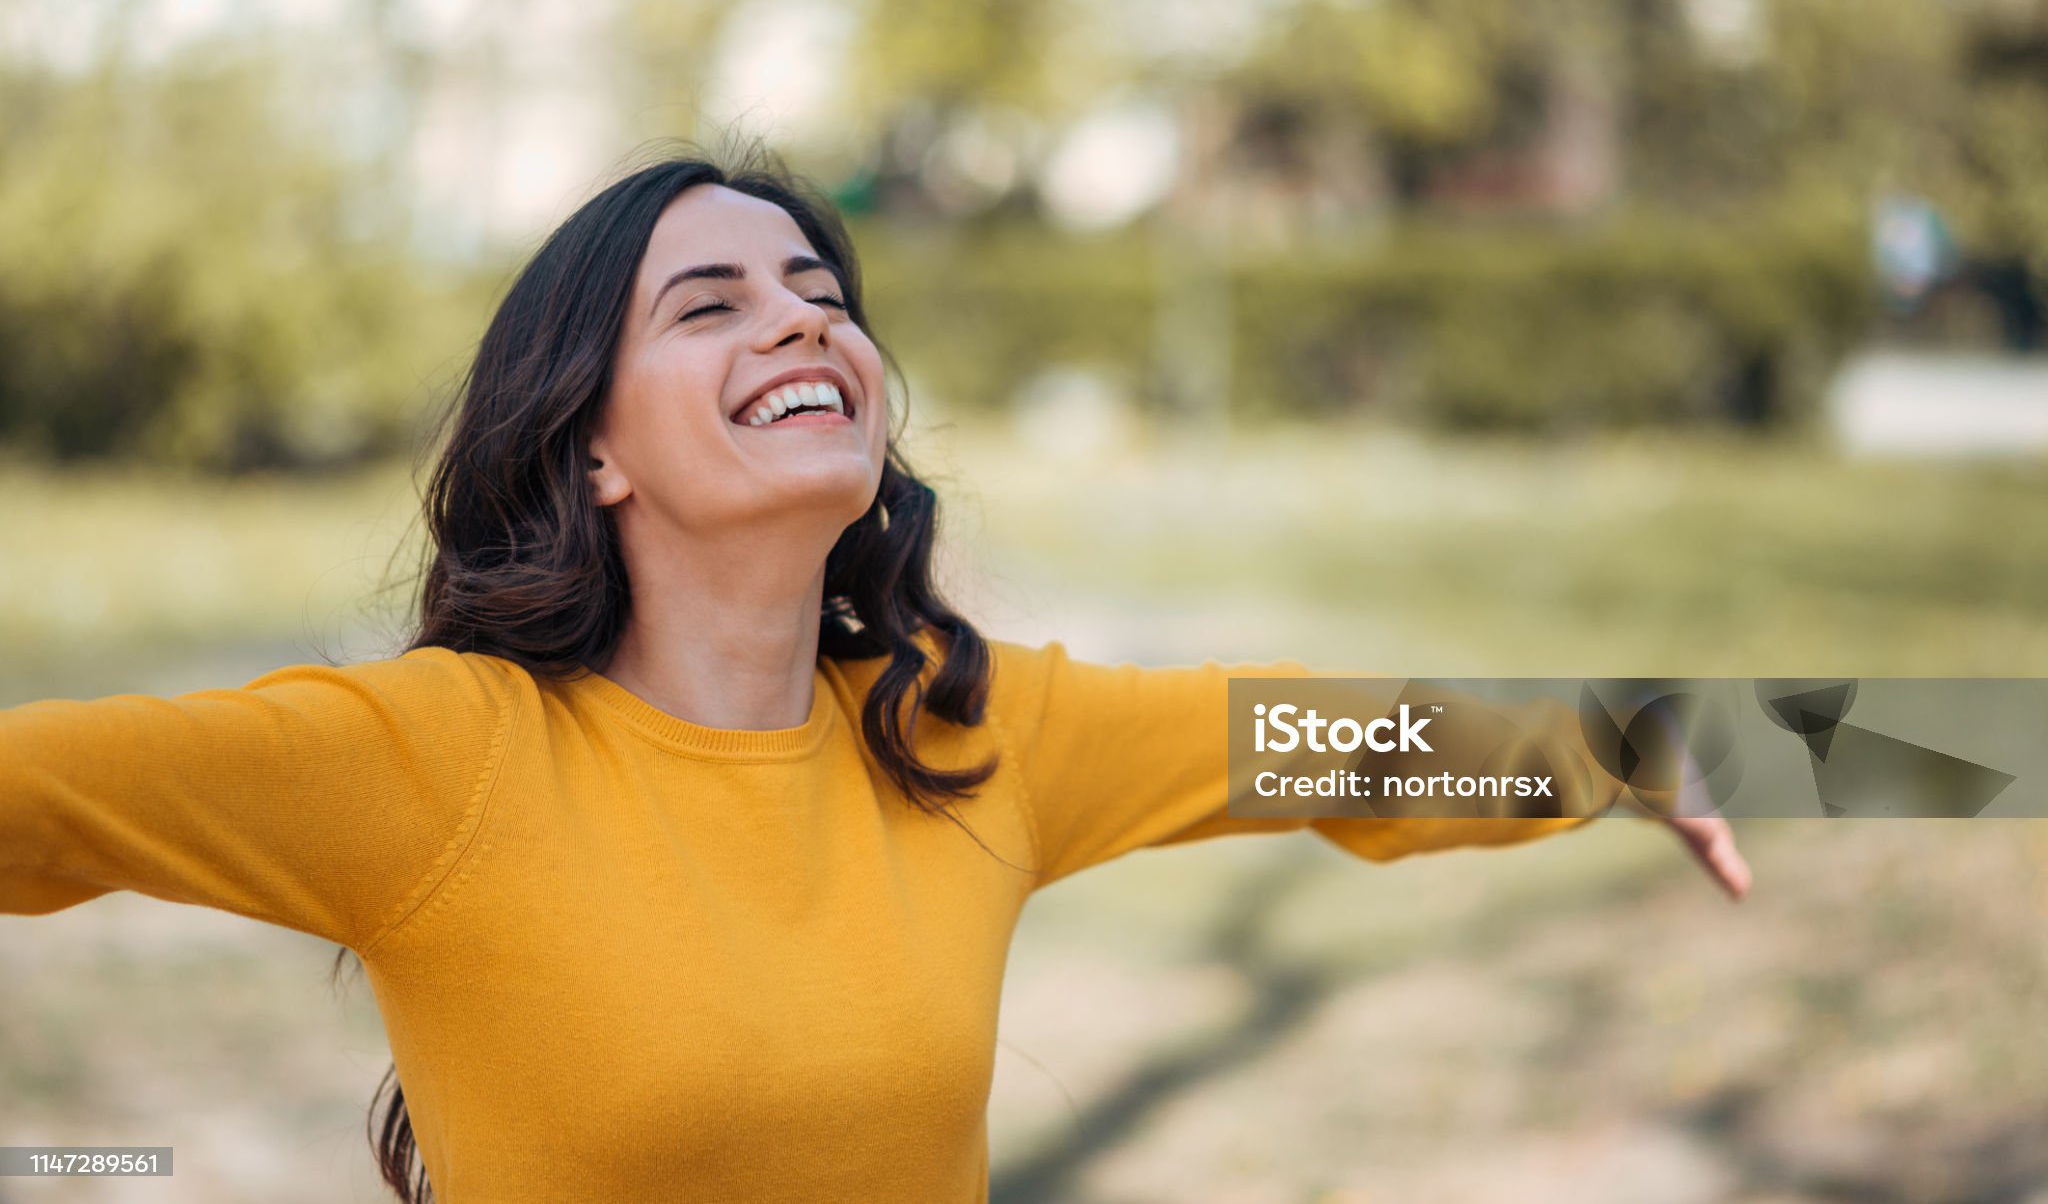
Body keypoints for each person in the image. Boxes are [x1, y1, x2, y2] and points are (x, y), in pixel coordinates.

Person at [0, 150, 1750, 1203]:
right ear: (590, 445)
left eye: (820, 288)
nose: (801, 319)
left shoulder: (963, 733)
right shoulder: (439, 760)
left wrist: (1626, 747)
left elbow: (1298, 744)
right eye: (707, 305)